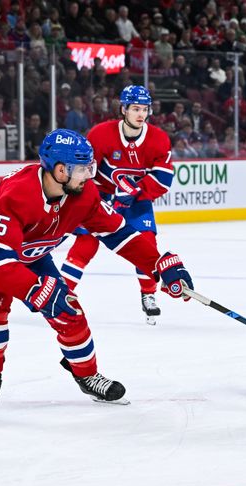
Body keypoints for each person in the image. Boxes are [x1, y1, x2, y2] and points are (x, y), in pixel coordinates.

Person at [0, 129, 193, 423]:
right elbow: (0, 266)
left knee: (68, 308)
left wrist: (158, 265)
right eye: (82, 168)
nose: (88, 175)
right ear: (60, 170)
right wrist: (35, 290)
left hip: (31, 250)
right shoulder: (16, 195)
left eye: (89, 167)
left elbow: (118, 233)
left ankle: (87, 375)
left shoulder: (84, 194)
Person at [60, 86, 174, 325]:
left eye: (144, 109)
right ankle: (62, 292)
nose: (140, 114)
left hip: (136, 201)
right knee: (86, 243)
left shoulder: (158, 138)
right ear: (123, 109)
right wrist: (94, 197)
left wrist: (136, 192)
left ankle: (148, 295)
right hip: (100, 198)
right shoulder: (101, 134)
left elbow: (164, 178)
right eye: (135, 109)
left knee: (146, 244)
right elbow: (85, 170)